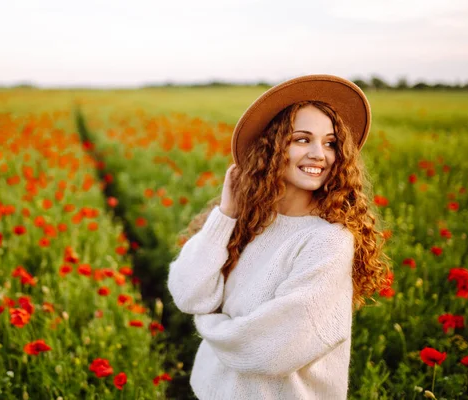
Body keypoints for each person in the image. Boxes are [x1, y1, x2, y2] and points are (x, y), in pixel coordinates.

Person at [167, 75, 391, 399]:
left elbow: (272, 350)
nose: (320, 154)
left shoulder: (328, 241)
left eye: (330, 143)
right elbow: (188, 294)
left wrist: (209, 325)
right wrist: (226, 215)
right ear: (272, 147)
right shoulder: (248, 222)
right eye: (302, 139)